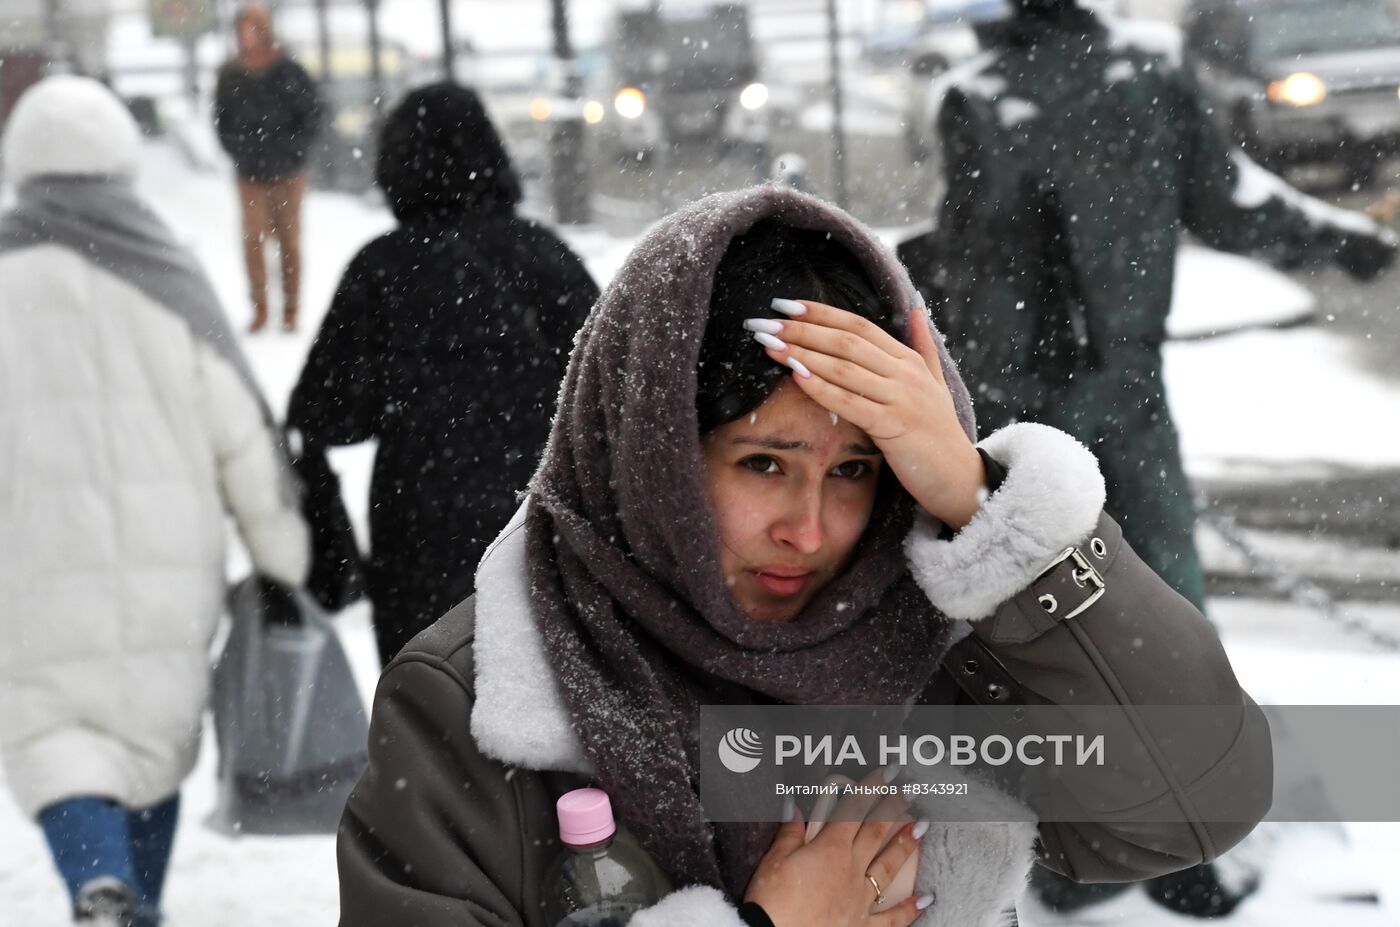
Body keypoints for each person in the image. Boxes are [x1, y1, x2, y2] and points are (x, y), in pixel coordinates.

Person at [335, 185, 1273, 926]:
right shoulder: (470, 702)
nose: (811, 529)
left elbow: (1196, 798)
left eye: (857, 467)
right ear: (651, 452)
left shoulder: (930, 638)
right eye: (763, 461)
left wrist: (987, 511)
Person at [900, 0, 1396, 617]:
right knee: (1164, 598)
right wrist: (1340, 240)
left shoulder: (980, 94)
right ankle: (1188, 705)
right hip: (1123, 380)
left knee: (1027, 608)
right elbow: (1229, 206)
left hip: (1014, 394)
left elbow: (967, 255)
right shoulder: (1147, 70)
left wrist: (894, 282)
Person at [0, 77, 310, 927]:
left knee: (55, 737)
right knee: (154, 745)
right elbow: (239, 429)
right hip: (167, 567)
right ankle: (139, 900)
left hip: (31, 567)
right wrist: (281, 550)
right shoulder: (165, 275)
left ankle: (96, 881)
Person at [287, 83, 598, 666]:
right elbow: (613, 394)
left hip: (419, 535)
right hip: (539, 531)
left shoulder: (383, 270)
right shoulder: (545, 257)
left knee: (430, 721)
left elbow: (330, 417)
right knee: (547, 719)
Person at [214, 3, 322, 333]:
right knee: (253, 239)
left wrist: (292, 150)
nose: (246, 37)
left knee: (289, 241)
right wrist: (241, 152)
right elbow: (222, 121)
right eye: (241, 30)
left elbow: (312, 114)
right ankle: (260, 307)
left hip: (288, 171)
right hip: (249, 173)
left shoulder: (289, 71)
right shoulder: (232, 75)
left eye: (251, 29)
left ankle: (291, 308)